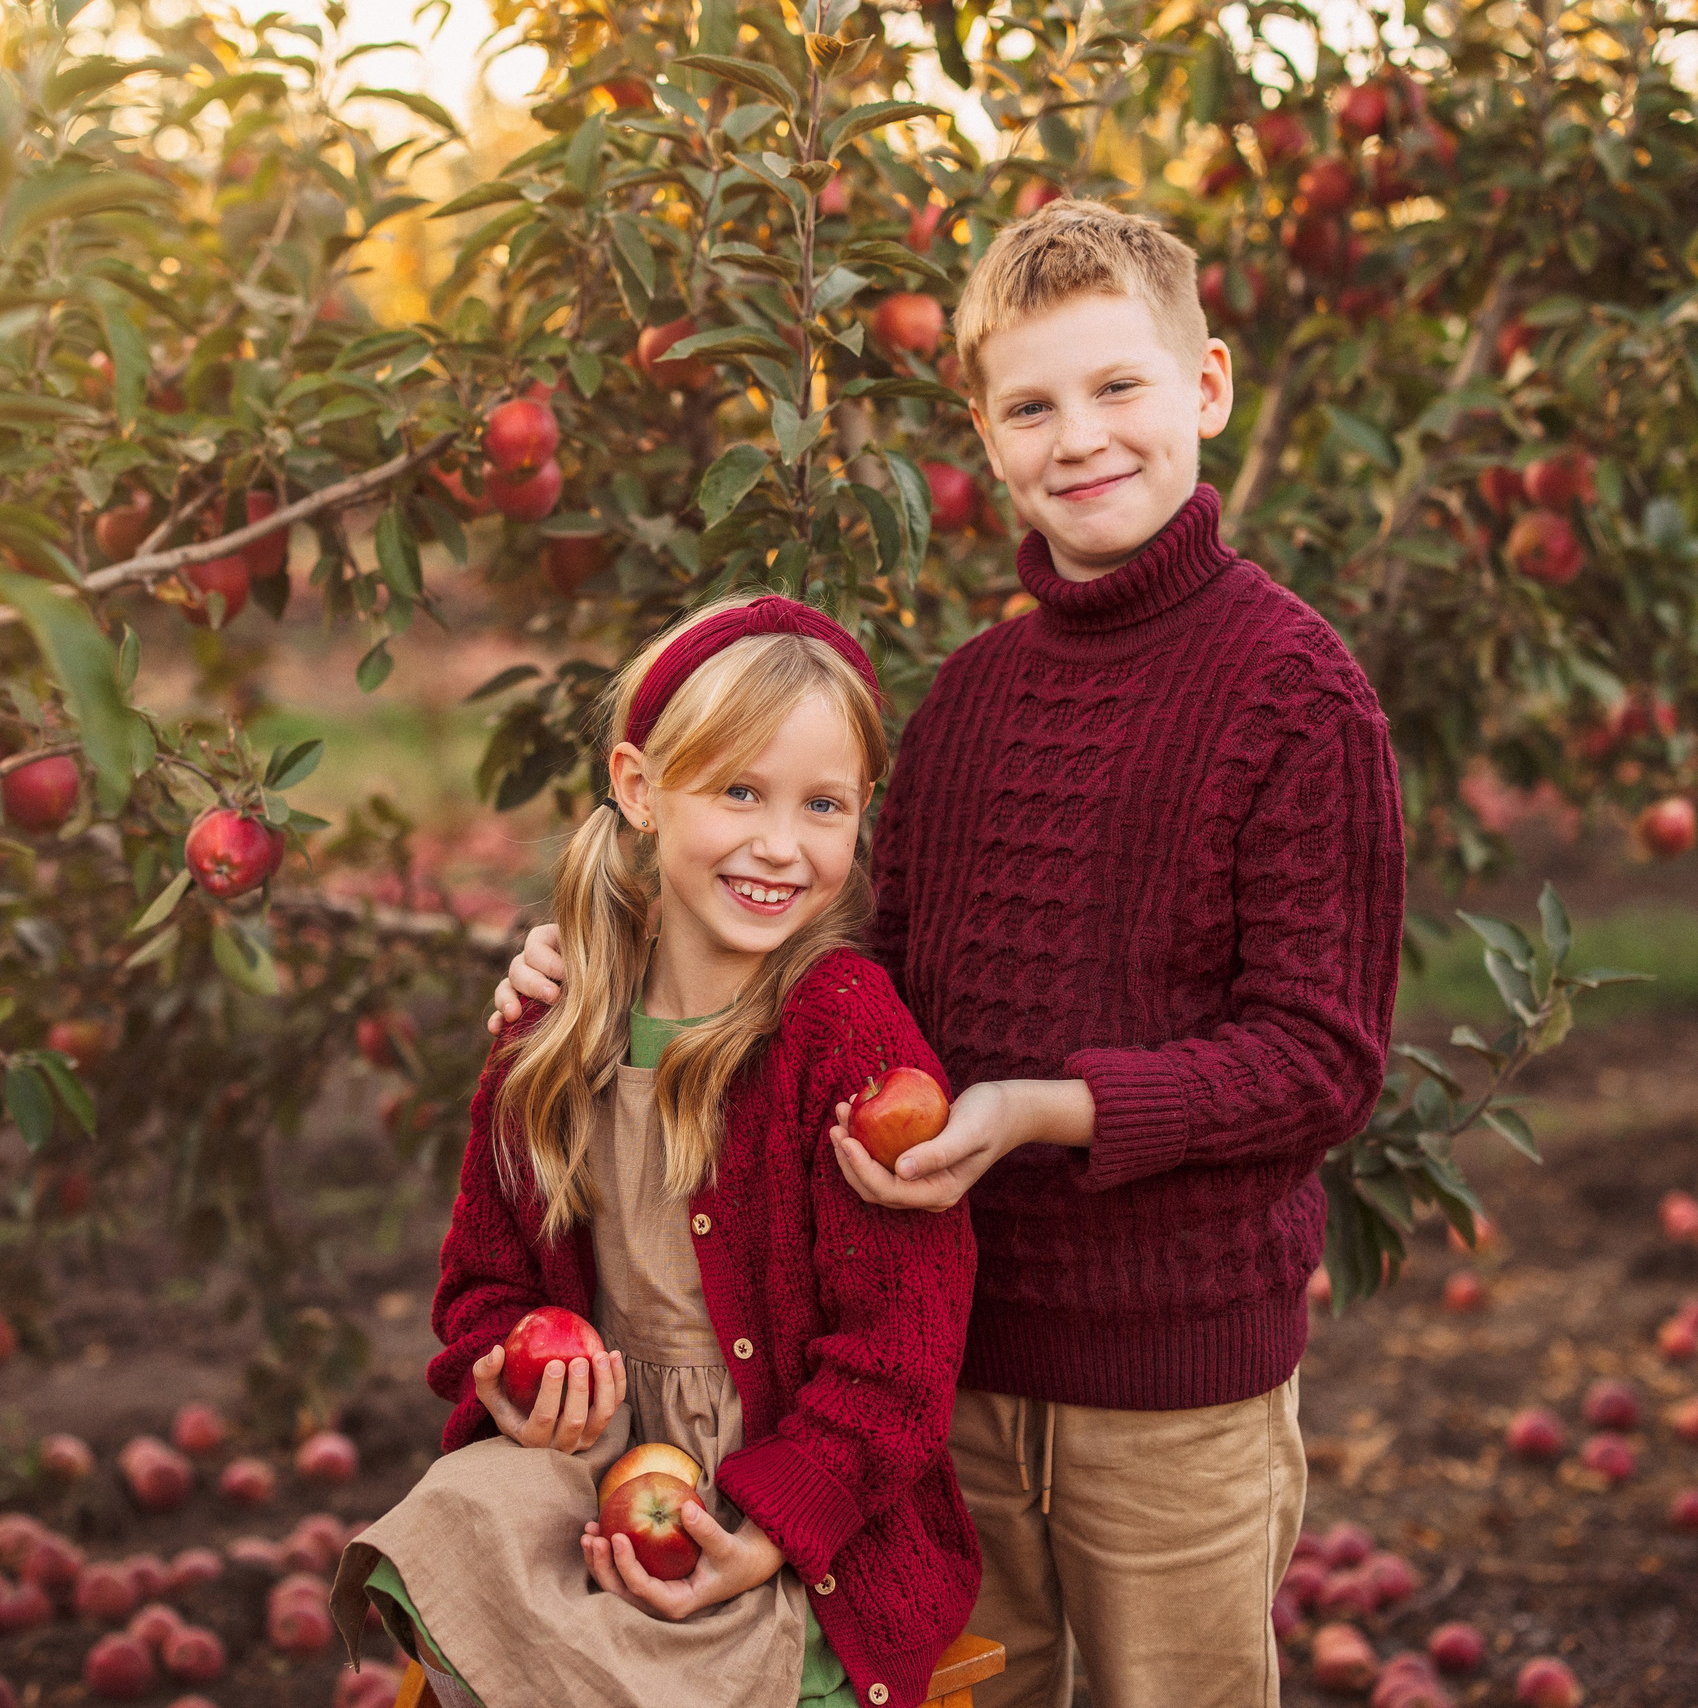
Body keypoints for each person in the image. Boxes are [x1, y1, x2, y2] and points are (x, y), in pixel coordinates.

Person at [490, 199, 1407, 1708]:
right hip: (948, 1365)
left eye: (1119, 387)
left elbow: (1320, 1059)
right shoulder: (971, 700)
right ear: (983, 436)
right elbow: (844, 967)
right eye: (1033, 405)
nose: (1083, 437)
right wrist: (596, 962)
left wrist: (1044, 1110)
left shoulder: (1300, 694)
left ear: (1208, 388)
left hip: (1175, 1387)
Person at [334, 594, 981, 1708]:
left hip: (790, 1491)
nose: (781, 844)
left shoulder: (844, 1029)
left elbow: (901, 1348)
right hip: (596, 1467)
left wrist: (777, 1525)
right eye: (740, 791)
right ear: (638, 788)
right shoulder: (558, 1019)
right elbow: (483, 1288)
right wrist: (518, 1381)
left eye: (823, 805)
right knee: (452, 1524)